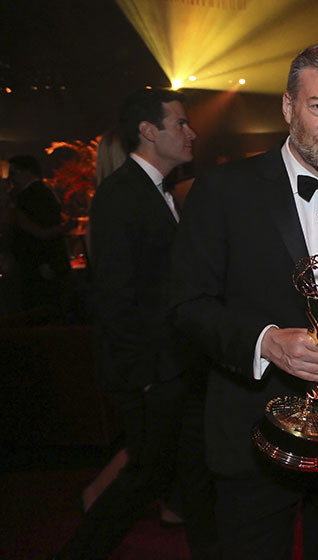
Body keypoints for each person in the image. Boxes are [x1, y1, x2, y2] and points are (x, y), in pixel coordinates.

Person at [169, 43, 318, 560]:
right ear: (288, 107)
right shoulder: (222, 191)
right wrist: (266, 342)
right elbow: (186, 305)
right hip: (250, 431)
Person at [55, 88, 218, 559]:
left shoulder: (155, 190)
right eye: (180, 124)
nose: (191, 133)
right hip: (151, 372)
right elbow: (114, 297)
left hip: (177, 366)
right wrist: (143, 376)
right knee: (148, 474)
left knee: (194, 474)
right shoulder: (120, 195)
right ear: (149, 131)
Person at [7, 154, 72, 313]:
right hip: (39, 260)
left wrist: (43, 261)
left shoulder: (31, 195)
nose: (10, 177)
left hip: (37, 262)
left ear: (27, 172)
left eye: (14, 172)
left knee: (39, 307)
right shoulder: (40, 191)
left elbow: (39, 231)